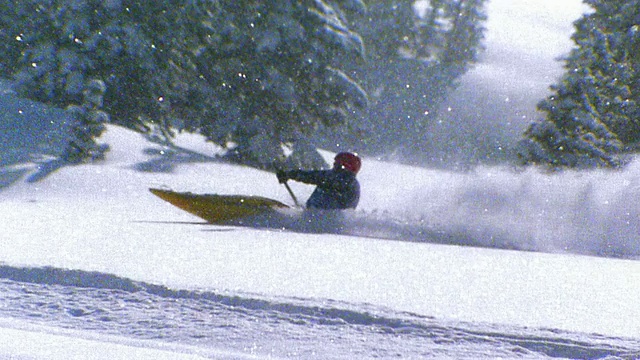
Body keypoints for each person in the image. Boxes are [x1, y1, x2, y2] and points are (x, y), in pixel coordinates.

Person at [277, 152, 361, 210]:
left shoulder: (343, 179)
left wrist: (290, 174)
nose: (335, 166)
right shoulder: (348, 181)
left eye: (338, 164)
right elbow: (314, 176)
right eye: (335, 164)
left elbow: (313, 176)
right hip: (321, 215)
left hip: (323, 217)